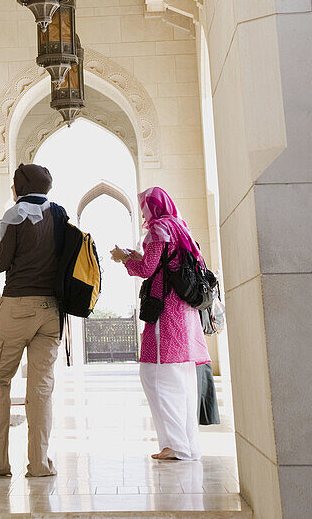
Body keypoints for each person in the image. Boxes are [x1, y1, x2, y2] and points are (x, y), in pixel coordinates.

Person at [0, 163, 66, 479]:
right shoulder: (60, 214)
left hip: (17, 307)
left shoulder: (13, 215)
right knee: (41, 387)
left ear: (17, 188)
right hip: (52, 311)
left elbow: (0, 263)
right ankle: (40, 463)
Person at [111, 186, 210, 462]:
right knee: (183, 381)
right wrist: (136, 254)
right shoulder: (181, 227)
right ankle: (186, 446)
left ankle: (176, 446)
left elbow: (147, 269)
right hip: (186, 312)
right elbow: (164, 263)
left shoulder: (158, 231)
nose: (144, 212)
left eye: (145, 206)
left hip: (166, 312)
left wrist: (125, 260)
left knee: (155, 377)